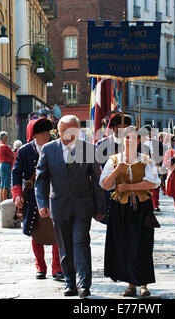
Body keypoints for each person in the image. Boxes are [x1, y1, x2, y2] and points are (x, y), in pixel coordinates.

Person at [34, 115, 106, 298]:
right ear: (57, 131)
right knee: (65, 247)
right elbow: (41, 179)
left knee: (80, 243)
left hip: (83, 206)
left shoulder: (87, 149)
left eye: (71, 130)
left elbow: (97, 180)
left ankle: (84, 284)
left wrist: (100, 209)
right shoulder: (49, 149)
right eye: (63, 130)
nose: (67, 134)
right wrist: (42, 203)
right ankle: (70, 282)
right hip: (59, 206)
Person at [99, 126, 160, 297]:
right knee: (125, 245)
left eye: (134, 138)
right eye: (127, 138)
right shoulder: (114, 160)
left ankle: (143, 284)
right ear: (122, 140)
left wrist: (129, 186)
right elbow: (104, 184)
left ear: (139, 140)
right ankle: (131, 284)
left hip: (142, 208)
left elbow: (153, 183)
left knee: (143, 245)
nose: (130, 141)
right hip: (121, 207)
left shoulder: (146, 160)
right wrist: (117, 171)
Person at [12, 118, 63, 281]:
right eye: (43, 133)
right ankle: (40, 266)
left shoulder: (57, 147)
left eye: (48, 132)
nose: (47, 136)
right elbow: (15, 173)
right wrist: (17, 194)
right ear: (34, 135)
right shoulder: (24, 151)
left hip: (55, 194)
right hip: (33, 197)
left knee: (57, 232)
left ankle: (57, 267)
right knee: (36, 233)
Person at [138, 125, 167, 213]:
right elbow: (138, 153)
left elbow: (163, 154)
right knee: (144, 184)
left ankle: (155, 204)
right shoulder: (140, 143)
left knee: (155, 184)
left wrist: (158, 161)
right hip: (144, 166)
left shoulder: (158, 143)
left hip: (155, 166)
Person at [0, 131, 15, 202]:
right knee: (6, 185)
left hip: (2, 164)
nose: (7, 139)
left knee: (2, 184)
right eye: (6, 137)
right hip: (6, 165)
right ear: (3, 138)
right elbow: (13, 155)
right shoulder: (4, 146)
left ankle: (2, 201)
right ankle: (4, 202)